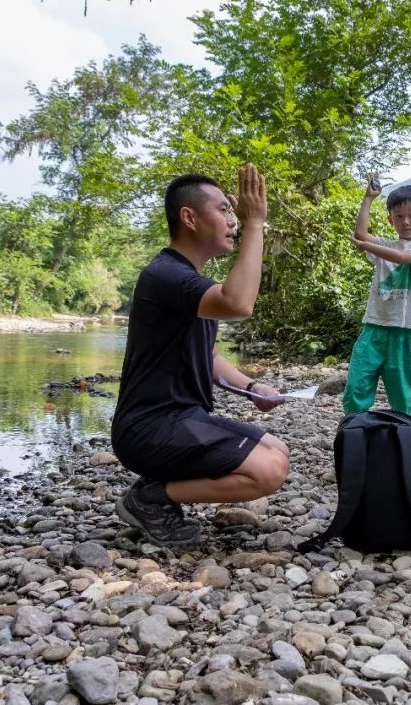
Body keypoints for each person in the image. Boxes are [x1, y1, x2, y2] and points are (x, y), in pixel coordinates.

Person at [111, 166, 292, 548]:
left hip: (183, 418)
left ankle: (160, 490)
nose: (233, 220)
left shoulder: (189, 282)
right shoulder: (165, 275)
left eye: (234, 212)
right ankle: (150, 500)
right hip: (150, 426)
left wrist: (253, 387)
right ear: (189, 218)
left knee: (278, 451)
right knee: (268, 472)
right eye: (224, 210)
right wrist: (256, 224)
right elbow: (239, 303)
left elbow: (206, 355)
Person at [343, 178, 411, 416]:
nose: (406, 221)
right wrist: (368, 199)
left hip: (404, 330)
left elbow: (402, 258)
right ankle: (354, 429)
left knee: (401, 392)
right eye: (399, 216)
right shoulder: (386, 244)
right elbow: (361, 234)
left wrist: (365, 246)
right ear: (390, 219)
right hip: (374, 326)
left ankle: (404, 434)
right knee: (357, 383)